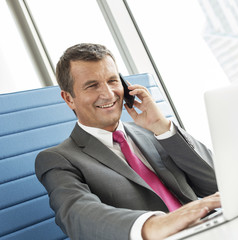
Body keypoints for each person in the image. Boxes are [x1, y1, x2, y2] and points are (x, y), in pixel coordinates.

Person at [35, 43, 221, 240]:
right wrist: (155, 225)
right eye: (92, 85)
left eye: (112, 81)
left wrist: (162, 127)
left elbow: (217, 183)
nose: (108, 94)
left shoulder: (154, 132)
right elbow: (76, 214)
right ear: (69, 99)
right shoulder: (58, 159)